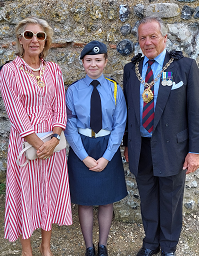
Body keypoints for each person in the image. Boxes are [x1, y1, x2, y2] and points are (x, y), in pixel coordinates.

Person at [123, 16, 199, 256]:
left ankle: (168, 247)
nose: (147, 42)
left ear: (164, 38)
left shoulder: (184, 66)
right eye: (142, 38)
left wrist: (194, 151)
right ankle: (150, 243)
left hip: (173, 148)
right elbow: (128, 111)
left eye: (153, 36)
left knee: (170, 200)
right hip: (141, 146)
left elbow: (195, 113)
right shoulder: (132, 69)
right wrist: (128, 143)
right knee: (147, 198)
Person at [0, 17, 72, 256]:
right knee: (25, 196)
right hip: (25, 144)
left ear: (46, 41)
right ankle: (26, 249)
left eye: (40, 36)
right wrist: (41, 146)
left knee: (48, 193)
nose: (34, 40)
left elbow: (60, 108)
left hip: (53, 141)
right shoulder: (9, 71)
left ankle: (46, 246)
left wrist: (53, 140)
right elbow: (16, 114)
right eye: (28, 35)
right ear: (20, 39)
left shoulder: (53, 69)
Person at [65, 41, 127, 256]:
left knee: (106, 199)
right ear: (82, 62)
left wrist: (107, 156)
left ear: (105, 62)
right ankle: (89, 247)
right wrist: (84, 157)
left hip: (106, 145)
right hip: (81, 146)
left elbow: (120, 125)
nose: (93, 64)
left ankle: (102, 246)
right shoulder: (72, 91)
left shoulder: (115, 89)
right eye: (89, 60)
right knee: (84, 200)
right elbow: (69, 126)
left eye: (98, 60)